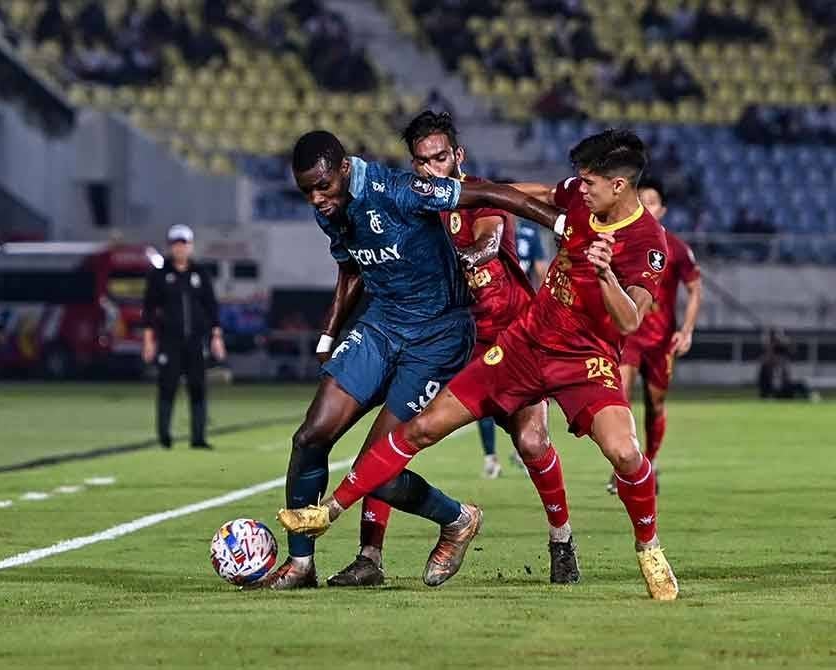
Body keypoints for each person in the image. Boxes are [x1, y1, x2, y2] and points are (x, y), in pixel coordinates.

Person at [279, 129, 680, 600]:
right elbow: (540, 194)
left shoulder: (647, 243)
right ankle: (342, 526)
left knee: (616, 452)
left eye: (589, 182)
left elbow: (629, 319)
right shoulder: (570, 197)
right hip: (521, 343)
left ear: (618, 186)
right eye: (421, 160)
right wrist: (533, 212)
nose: (579, 188)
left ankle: (637, 546)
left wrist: (605, 274)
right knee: (417, 429)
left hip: (583, 357)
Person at [256, 130, 566, 590]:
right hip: (382, 324)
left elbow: (491, 193)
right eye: (307, 191)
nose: (316, 199)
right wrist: (329, 330)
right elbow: (351, 266)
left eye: (322, 187)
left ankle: (457, 519)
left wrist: (560, 223)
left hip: (438, 335)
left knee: (376, 469)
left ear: (344, 168)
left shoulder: (400, 190)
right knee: (310, 435)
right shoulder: (332, 209)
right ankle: (302, 564)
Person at [608, 178, 702, 495]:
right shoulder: (621, 240)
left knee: (655, 404)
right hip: (629, 335)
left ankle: (651, 459)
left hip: (660, 340)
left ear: (662, 209)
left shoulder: (676, 247)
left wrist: (686, 330)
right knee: (619, 397)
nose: (647, 206)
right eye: (642, 200)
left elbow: (694, 289)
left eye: (653, 202)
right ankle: (623, 465)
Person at [142, 224, 226, 449]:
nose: (180, 249)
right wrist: (149, 341)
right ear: (170, 246)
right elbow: (149, 309)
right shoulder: (160, 276)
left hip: (196, 341)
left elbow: (211, 307)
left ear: (190, 246)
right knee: (167, 386)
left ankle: (198, 437)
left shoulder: (200, 273)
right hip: (169, 341)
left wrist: (216, 337)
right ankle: (164, 437)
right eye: (176, 244)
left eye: (184, 244)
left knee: (198, 387)